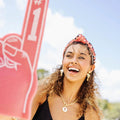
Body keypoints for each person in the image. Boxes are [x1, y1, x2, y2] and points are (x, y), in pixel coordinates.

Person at [31, 34, 102, 120]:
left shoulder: (91, 115)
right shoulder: (41, 92)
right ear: (63, 61)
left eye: (81, 57)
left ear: (91, 68)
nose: (74, 61)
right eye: (69, 56)